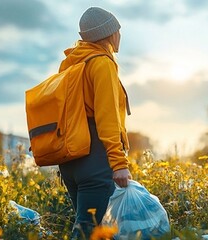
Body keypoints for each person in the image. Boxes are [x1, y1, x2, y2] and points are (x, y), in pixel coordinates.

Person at [57, 6, 132, 239]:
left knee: (90, 229)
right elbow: (106, 116)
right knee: (89, 233)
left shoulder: (71, 64)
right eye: (118, 30)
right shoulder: (102, 63)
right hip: (95, 158)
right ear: (109, 34)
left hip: (70, 160)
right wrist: (118, 162)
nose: (120, 35)